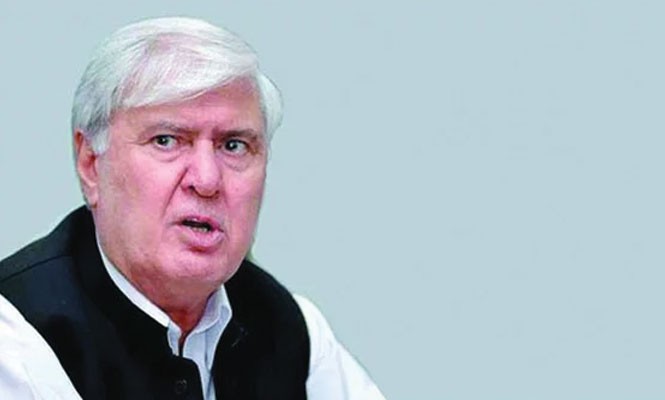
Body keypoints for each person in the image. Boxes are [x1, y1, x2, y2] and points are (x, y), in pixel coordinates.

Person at [0, 17, 385, 400]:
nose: (206, 180)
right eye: (166, 140)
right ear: (90, 164)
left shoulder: (293, 332)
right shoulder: (17, 341)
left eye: (233, 146)